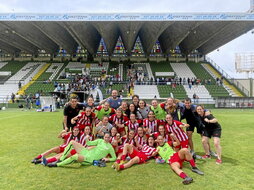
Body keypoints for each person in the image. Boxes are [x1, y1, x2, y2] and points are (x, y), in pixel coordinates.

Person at [47, 133, 116, 167]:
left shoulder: (110, 147)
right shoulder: (100, 141)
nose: (106, 138)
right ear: (104, 137)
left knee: (76, 156)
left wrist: (108, 159)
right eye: (105, 137)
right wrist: (87, 138)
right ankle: (61, 159)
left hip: (89, 159)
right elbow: (88, 143)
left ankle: (57, 164)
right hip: (86, 152)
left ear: (110, 138)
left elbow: (114, 157)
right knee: (72, 142)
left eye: (108, 137)